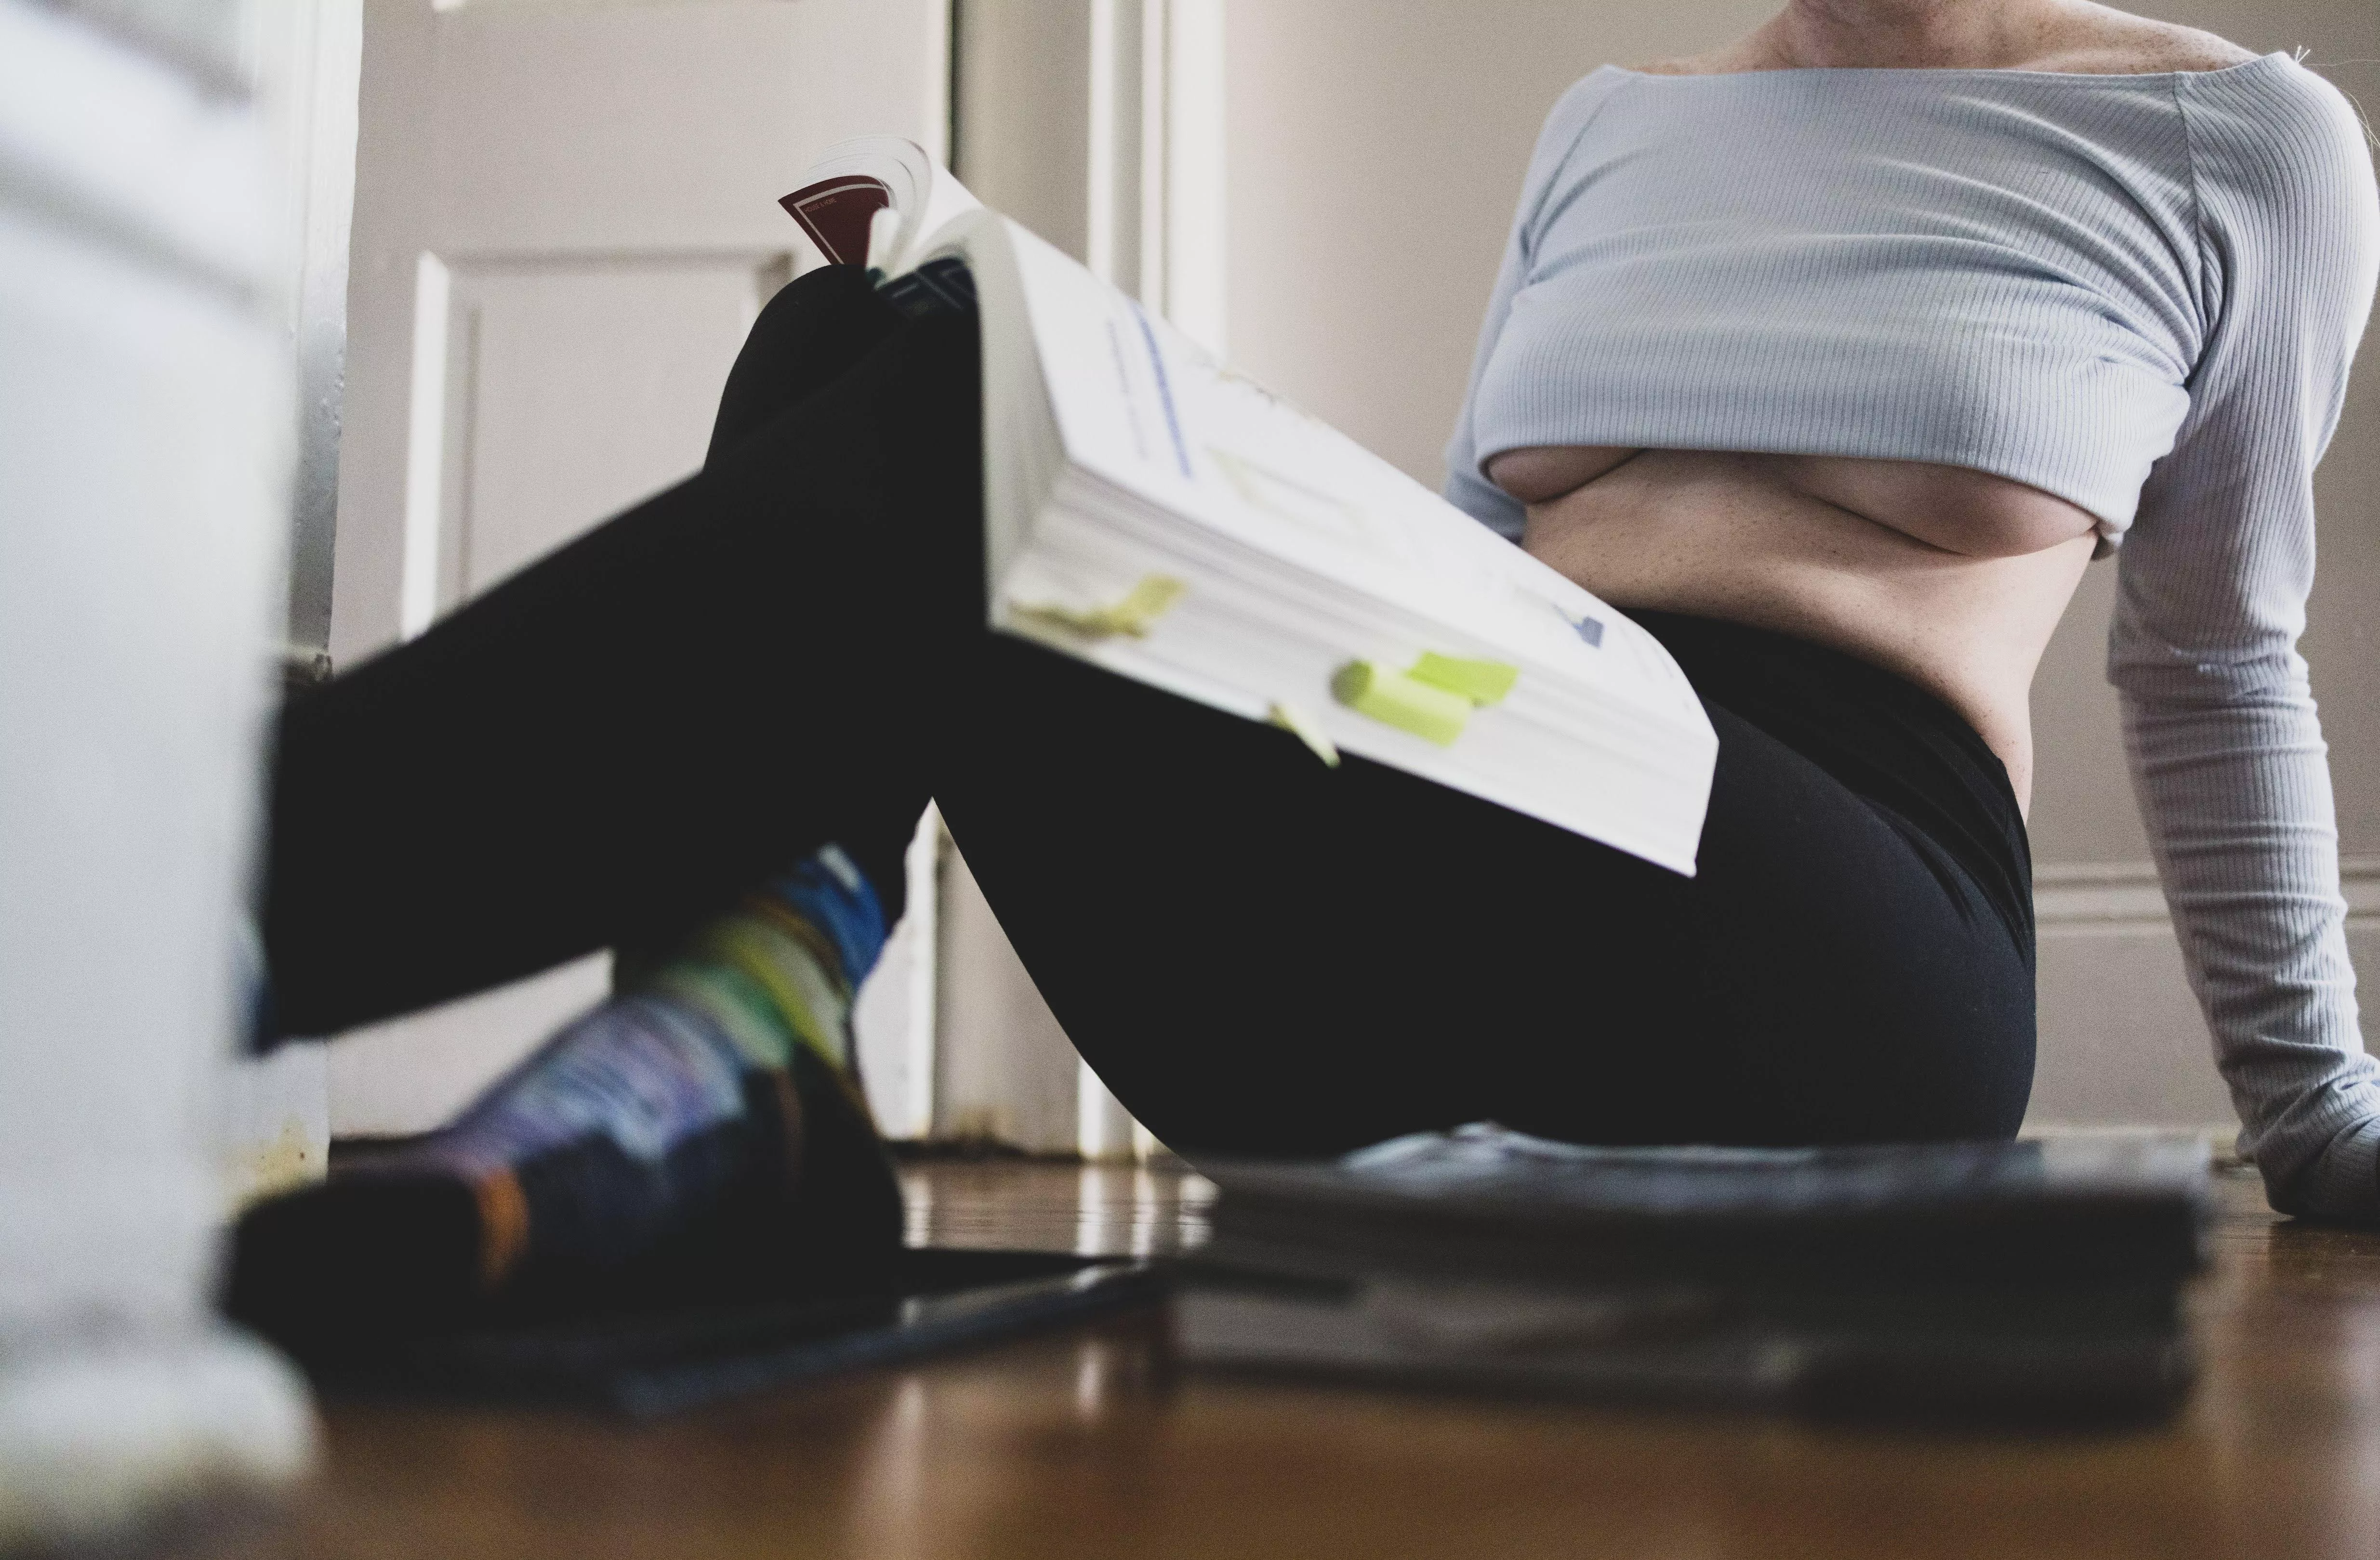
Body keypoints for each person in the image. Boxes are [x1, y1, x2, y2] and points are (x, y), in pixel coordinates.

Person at [245, 0, 2380, 1318]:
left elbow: (2209, 667)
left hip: (1828, 948)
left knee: (921, 406)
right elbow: (1453, 573)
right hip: (1470, 805)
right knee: (871, 338)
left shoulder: (2238, 149)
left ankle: (176, 929)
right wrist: (1120, 438)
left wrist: (2319, 1119)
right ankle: (741, 1046)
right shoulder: (1613, 126)